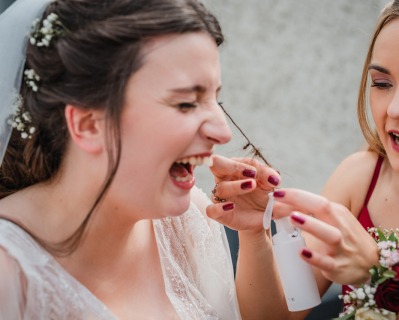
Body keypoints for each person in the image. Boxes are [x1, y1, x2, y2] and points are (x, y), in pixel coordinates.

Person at [0, 0, 281, 319]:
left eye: (216, 99)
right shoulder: (9, 275)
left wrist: (255, 235)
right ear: (89, 125)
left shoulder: (188, 220)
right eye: (187, 103)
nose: (223, 132)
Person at [209, 0, 399, 319]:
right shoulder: (361, 178)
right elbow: (277, 314)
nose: (395, 109)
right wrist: (255, 233)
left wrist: (378, 273)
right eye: (381, 83)